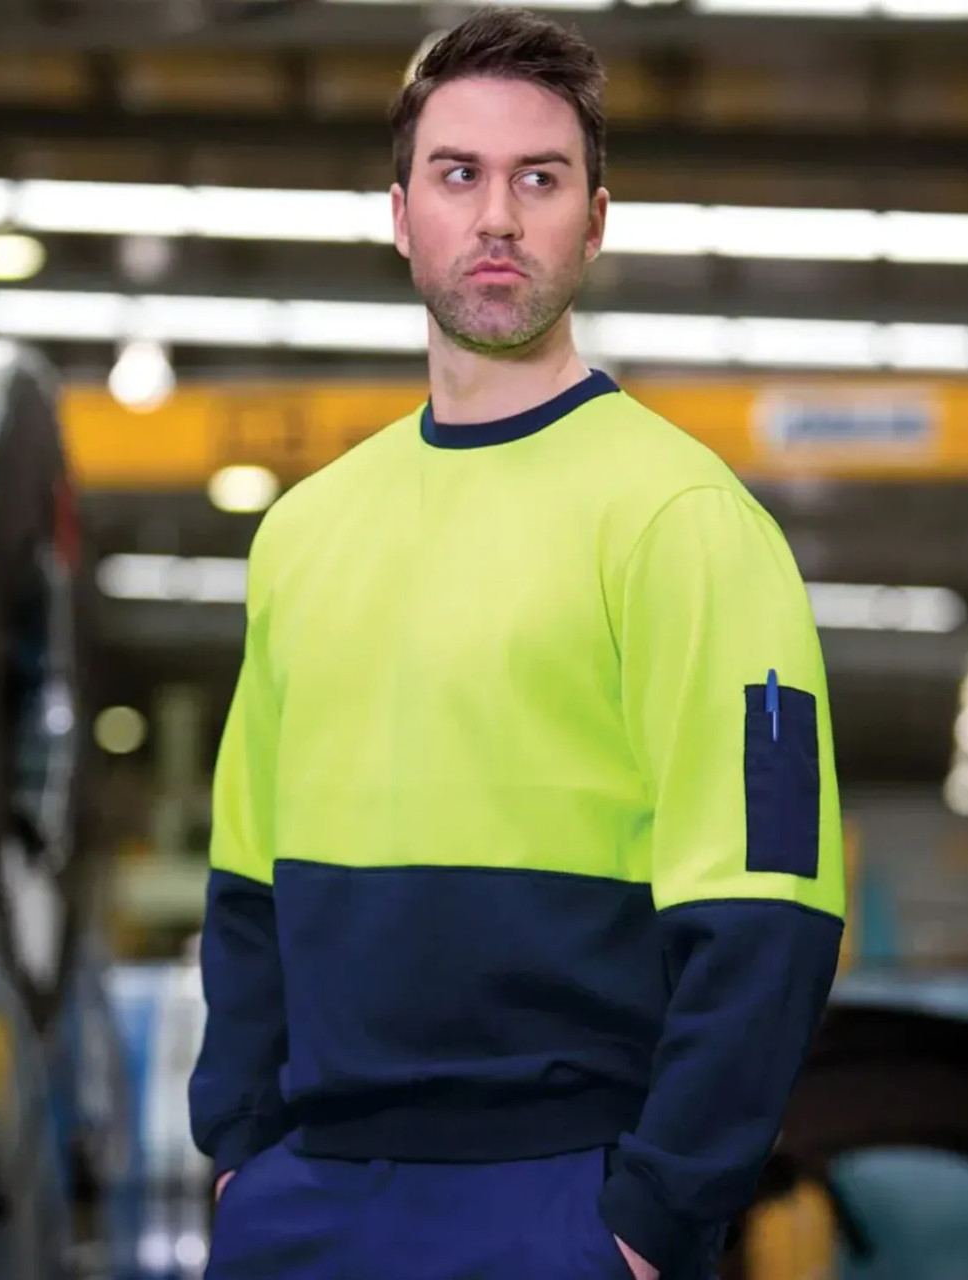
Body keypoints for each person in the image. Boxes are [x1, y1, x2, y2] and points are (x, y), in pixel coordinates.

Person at [188, 8, 845, 1279]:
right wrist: (242, 1151)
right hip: (303, 1204)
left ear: (594, 220)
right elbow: (245, 889)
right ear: (399, 213)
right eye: (458, 174)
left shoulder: (684, 520)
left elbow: (770, 909)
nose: (497, 216)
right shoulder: (305, 533)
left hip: (560, 1206)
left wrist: (651, 1217)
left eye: (538, 178)